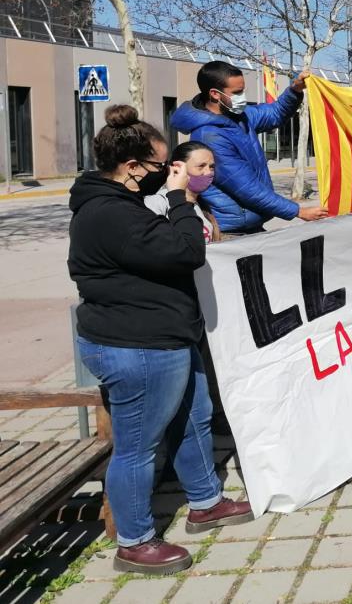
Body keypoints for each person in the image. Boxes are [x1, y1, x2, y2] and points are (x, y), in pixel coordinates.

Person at [68, 105, 252, 575]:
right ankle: (134, 541)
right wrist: (178, 199)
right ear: (131, 168)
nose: (166, 174)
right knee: (138, 445)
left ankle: (205, 501)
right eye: (158, 167)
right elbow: (184, 251)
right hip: (136, 346)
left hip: (165, 337)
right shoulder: (109, 214)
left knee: (194, 417)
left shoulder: (120, 204)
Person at [170, 61, 328, 235]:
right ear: (215, 94)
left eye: (242, 90)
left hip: (250, 226)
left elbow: (275, 113)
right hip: (233, 233)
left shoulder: (238, 116)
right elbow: (248, 189)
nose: (242, 97)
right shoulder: (210, 137)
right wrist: (298, 211)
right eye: (237, 92)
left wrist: (295, 90)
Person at [145, 141, 220, 243]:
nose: (209, 172)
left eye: (212, 167)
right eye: (201, 166)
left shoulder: (201, 205)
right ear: (178, 169)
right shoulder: (157, 202)